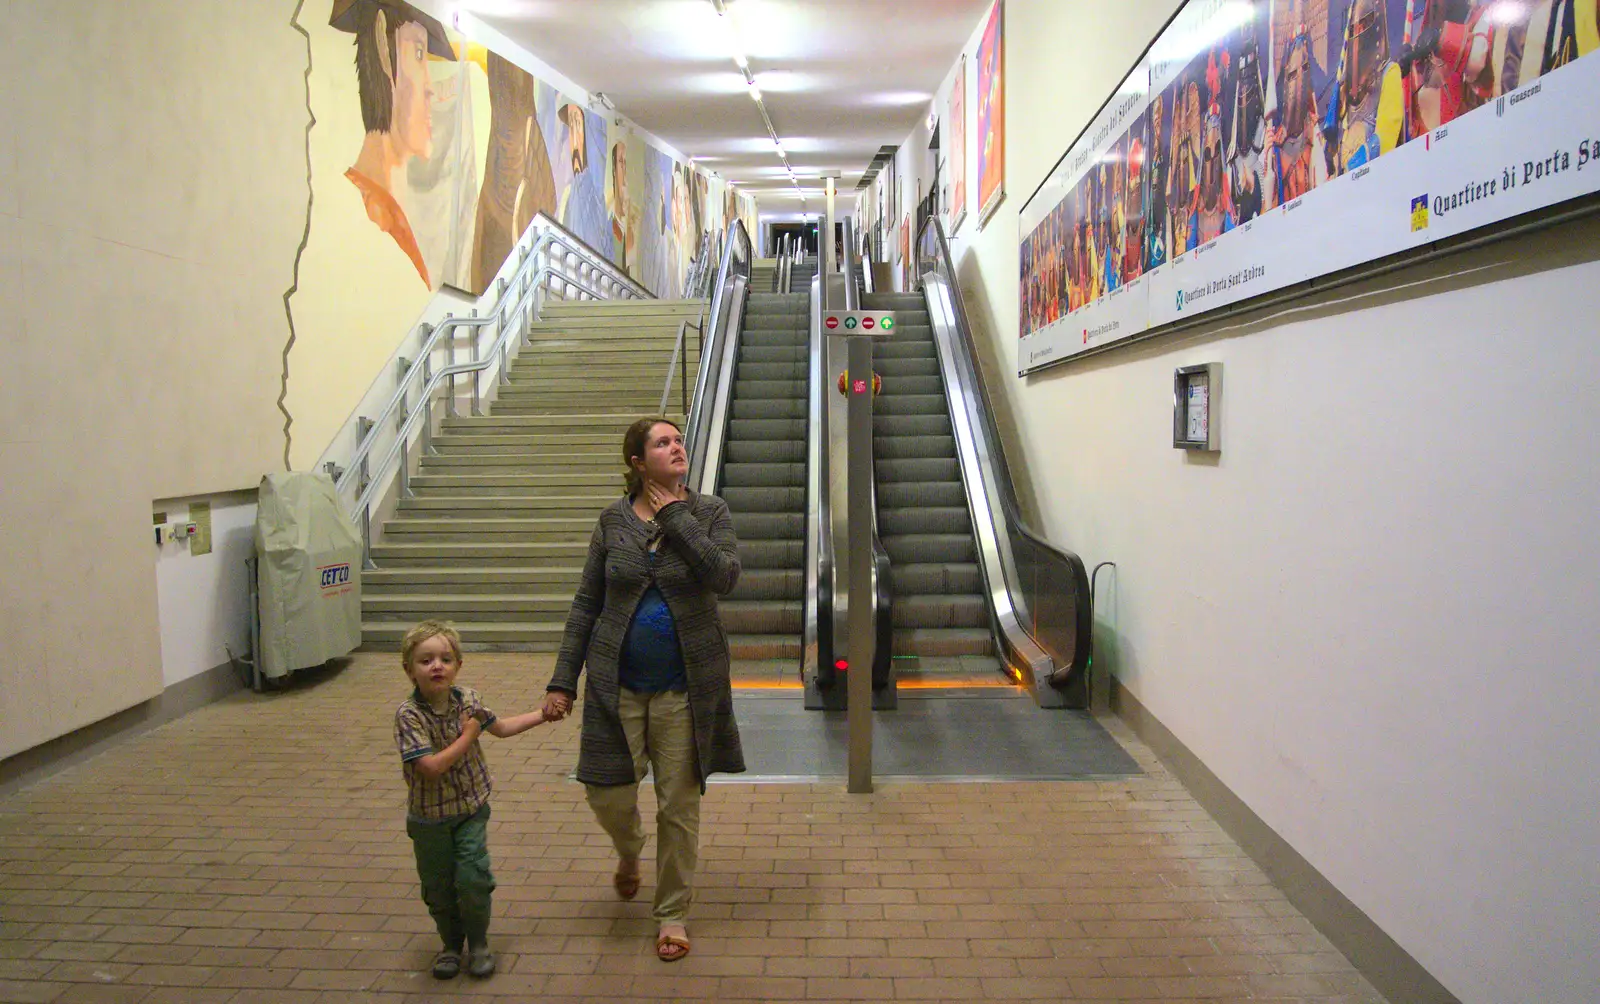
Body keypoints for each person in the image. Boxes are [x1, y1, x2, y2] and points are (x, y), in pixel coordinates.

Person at [542, 418, 745, 963]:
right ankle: (630, 852)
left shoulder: (708, 512)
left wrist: (676, 514)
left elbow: (724, 575)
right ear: (637, 461)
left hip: (685, 687)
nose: (677, 446)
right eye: (662, 442)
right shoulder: (612, 521)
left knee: (678, 805)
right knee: (606, 790)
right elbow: (587, 602)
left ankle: (672, 914)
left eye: (678, 440)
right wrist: (564, 678)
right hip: (617, 687)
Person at [392, 620, 548, 980]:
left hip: (470, 811)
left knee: (473, 878)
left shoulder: (470, 700)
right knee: (439, 888)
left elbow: (502, 727)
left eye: (446, 659)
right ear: (409, 670)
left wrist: (544, 714)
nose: (437, 666)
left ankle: (478, 944)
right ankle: (450, 944)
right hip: (428, 819)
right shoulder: (408, 716)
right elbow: (431, 767)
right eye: (426, 660)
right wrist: (468, 735)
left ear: (458, 665)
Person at [331, 0, 456, 287]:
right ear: (383, 48)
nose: (430, 88)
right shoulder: (369, 220)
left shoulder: (396, 213)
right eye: (419, 55)